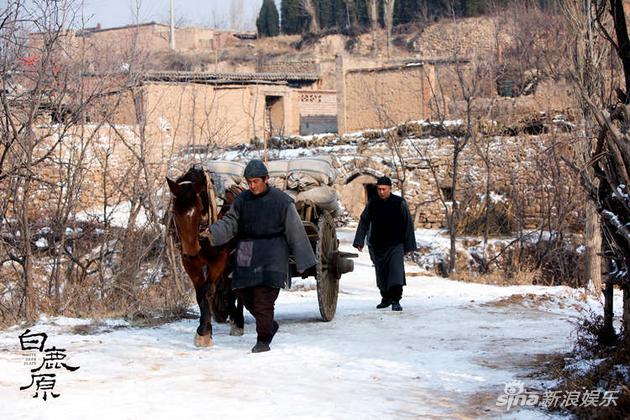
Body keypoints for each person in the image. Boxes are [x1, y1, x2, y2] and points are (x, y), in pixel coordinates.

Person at [204, 159, 316, 353]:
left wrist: (303, 261)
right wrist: (212, 232)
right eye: (249, 182)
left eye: (256, 181)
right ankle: (269, 325)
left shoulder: (282, 201)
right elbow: (230, 222)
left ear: (266, 179)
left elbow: (295, 231)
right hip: (247, 249)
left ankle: (263, 339)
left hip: (272, 250)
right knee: (243, 292)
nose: (252, 185)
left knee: (263, 299)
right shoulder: (242, 201)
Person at [353, 176, 417, 311]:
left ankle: (396, 300)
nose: (381, 192)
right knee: (381, 274)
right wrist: (359, 240)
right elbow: (364, 220)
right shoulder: (373, 202)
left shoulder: (399, 203)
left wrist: (408, 245)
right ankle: (386, 298)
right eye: (379, 189)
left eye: (384, 189)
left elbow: (408, 224)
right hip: (378, 244)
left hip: (396, 244)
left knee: (396, 272)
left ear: (390, 189)